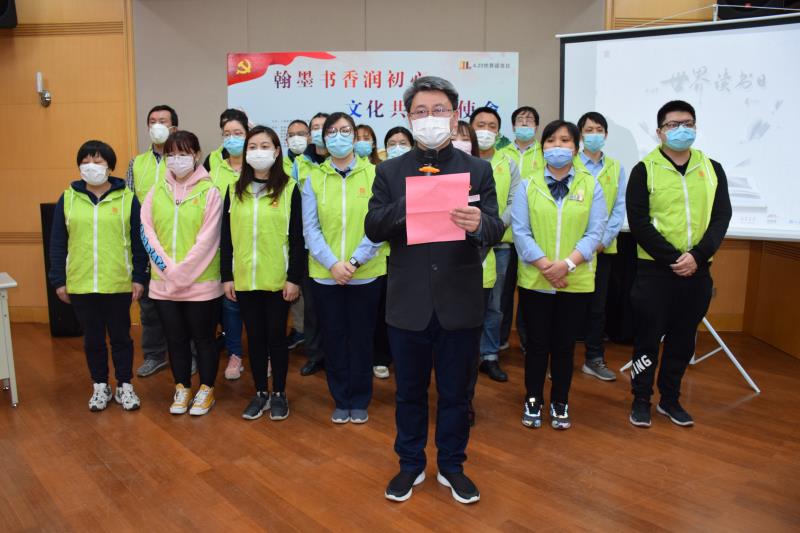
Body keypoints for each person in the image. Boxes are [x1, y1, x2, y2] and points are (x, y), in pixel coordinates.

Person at [366, 76, 504, 504]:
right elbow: (373, 227)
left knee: (456, 394)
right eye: (421, 112)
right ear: (408, 117)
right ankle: (410, 464)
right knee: (408, 393)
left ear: (454, 115)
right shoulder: (389, 170)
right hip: (408, 303)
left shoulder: (477, 169)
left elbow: (496, 228)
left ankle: (452, 465)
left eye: (439, 110)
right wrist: (410, 203)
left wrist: (479, 224)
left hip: (459, 301)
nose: (430, 118)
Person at [627, 100, 731, 428]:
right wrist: (674, 258)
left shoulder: (712, 168)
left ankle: (669, 399)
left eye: (687, 123)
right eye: (673, 125)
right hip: (655, 272)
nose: (681, 130)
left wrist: (696, 256)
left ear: (695, 127)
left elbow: (721, 217)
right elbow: (638, 222)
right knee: (647, 340)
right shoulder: (644, 169)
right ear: (659, 132)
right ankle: (641, 399)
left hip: (697, 271)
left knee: (683, 340)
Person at [511, 120, 606, 431]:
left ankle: (560, 400)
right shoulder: (528, 185)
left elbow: (595, 232)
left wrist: (566, 264)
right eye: (551, 140)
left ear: (576, 148)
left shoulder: (591, 185)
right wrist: (545, 266)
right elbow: (521, 231)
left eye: (565, 141)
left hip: (575, 281)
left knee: (565, 346)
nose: (557, 146)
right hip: (535, 279)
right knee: (537, 344)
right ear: (543, 148)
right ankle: (533, 398)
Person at [50, 140, 147, 411]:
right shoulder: (68, 198)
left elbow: (139, 243)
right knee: (92, 339)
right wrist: (59, 280)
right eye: (85, 162)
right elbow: (57, 243)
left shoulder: (127, 198)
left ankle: (125, 385)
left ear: (110, 167)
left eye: (98, 161)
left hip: (118, 283)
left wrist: (139, 277)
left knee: (121, 338)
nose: (91, 166)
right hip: (81, 284)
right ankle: (100, 386)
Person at [302, 111, 385, 424]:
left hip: (366, 274)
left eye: (345, 130)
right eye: (332, 131)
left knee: (362, 339)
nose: (339, 136)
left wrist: (353, 262)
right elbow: (310, 229)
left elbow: (378, 225)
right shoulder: (314, 178)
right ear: (324, 139)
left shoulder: (375, 174)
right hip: (326, 276)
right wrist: (333, 264)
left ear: (355, 134)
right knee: (334, 338)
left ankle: (360, 398)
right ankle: (341, 398)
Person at [221, 126, 304, 421]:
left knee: (276, 338)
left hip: (277, 280)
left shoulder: (290, 188)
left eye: (265, 146)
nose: (259, 152)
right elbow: (226, 237)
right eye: (253, 147)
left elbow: (297, 238)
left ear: (277, 151)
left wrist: (294, 278)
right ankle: (260, 393)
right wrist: (227, 276)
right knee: (254, 339)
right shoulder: (234, 190)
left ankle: (279, 393)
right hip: (245, 278)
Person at [140, 130, 224, 416]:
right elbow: (147, 232)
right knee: (175, 340)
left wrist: (181, 274)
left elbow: (208, 240)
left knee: (204, 339)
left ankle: (206, 389)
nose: (177, 159)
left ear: (197, 155)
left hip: (201, 285)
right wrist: (168, 271)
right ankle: (182, 387)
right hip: (163, 286)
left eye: (184, 153)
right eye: (171, 154)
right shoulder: (156, 191)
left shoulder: (210, 192)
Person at [470, 107, 521, 383]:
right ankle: (464, 354)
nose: (486, 131)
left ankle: (489, 355)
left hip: (498, 244)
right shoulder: (460, 159)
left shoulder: (508, 163)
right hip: (461, 245)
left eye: (491, 126)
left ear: (499, 132)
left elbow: (515, 201)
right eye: (480, 125)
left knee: (494, 304)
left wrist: (494, 228)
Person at [575, 111, 627, 382]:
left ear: (605, 135)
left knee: (597, 307)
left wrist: (602, 241)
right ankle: (558, 358)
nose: (594, 134)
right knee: (567, 306)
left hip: (602, 250)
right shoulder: (569, 163)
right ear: (580, 135)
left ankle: (594, 359)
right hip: (570, 248)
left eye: (599, 130)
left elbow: (619, 208)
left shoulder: (616, 168)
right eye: (588, 130)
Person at [127, 104, 177, 378]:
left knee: (183, 305)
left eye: (163, 121)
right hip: (147, 247)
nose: (157, 125)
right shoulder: (137, 163)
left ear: (174, 127)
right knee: (148, 307)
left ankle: (187, 355)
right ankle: (155, 355)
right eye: (153, 121)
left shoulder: (182, 159)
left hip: (179, 245)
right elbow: (128, 203)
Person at [498, 105, 545, 353]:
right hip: (506, 235)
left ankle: (528, 341)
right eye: (520, 119)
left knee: (528, 290)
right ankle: (501, 338)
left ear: (536, 126)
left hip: (534, 233)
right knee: (504, 292)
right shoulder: (502, 153)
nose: (524, 123)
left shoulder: (545, 153)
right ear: (513, 126)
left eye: (529, 120)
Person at [208, 109, 249, 381]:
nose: (232, 138)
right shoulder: (214, 168)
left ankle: (266, 354)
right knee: (231, 304)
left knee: (259, 305)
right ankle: (235, 353)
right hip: (223, 246)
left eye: (238, 133)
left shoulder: (261, 166)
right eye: (227, 134)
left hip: (256, 245)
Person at [296, 112, 329, 376]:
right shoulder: (299, 163)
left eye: (323, 127)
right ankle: (316, 354)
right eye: (314, 128)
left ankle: (340, 353)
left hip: (342, 246)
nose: (318, 132)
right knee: (313, 307)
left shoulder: (345, 160)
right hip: (310, 245)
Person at [284, 119, 311, 350]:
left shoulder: (315, 162)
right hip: (288, 233)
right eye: (291, 134)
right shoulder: (279, 164)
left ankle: (310, 333)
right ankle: (300, 330)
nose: (296, 138)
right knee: (294, 284)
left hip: (313, 234)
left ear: (309, 136)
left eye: (301, 133)